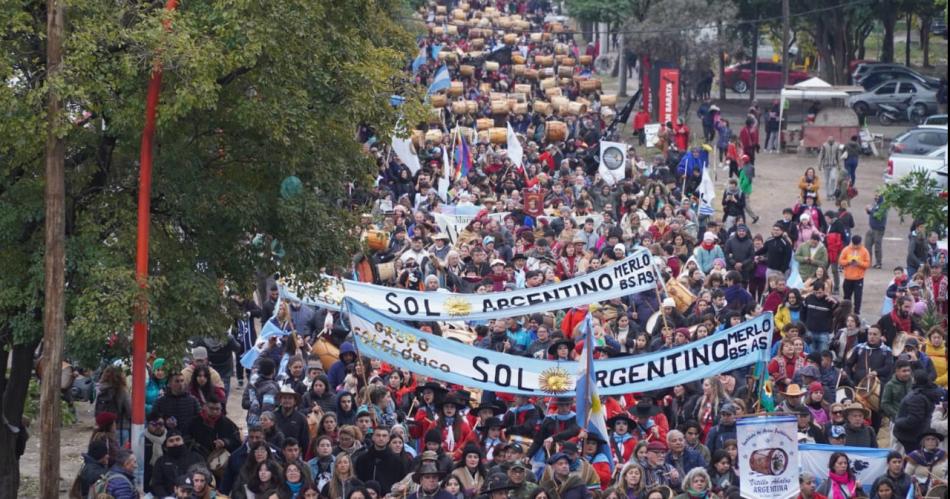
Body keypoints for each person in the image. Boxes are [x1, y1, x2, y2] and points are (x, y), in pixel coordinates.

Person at [893, 370, 944, 452]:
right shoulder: (934, 391)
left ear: (915, 380)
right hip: (926, 432)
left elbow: (914, 419)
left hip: (912, 436)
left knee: (915, 460)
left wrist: (898, 421)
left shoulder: (917, 397)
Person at [838, 235, 870, 314]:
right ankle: (845, 312)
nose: (855, 246)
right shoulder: (846, 249)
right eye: (854, 244)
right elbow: (840, 261)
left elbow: (867, 264)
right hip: (848, 278)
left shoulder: (864, 251)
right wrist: (848, 262)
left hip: (858, 278)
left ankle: (856, 313)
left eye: (857, 245)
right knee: (846, 297)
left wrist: (859, 263)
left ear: (860, 243)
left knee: (858, 297)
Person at [864, 194, 887, 269]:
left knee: (877, 246)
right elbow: (872, 213)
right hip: (871, 228)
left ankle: (878, 263)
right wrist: (868, 211)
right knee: (867, 245)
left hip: (879, 229)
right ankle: (868, 262)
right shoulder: (875, 204)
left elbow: (878, 216)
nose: (875, 197)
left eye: (877, 196)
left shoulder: (883, 206)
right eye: (875, 196)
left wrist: (870, 210)